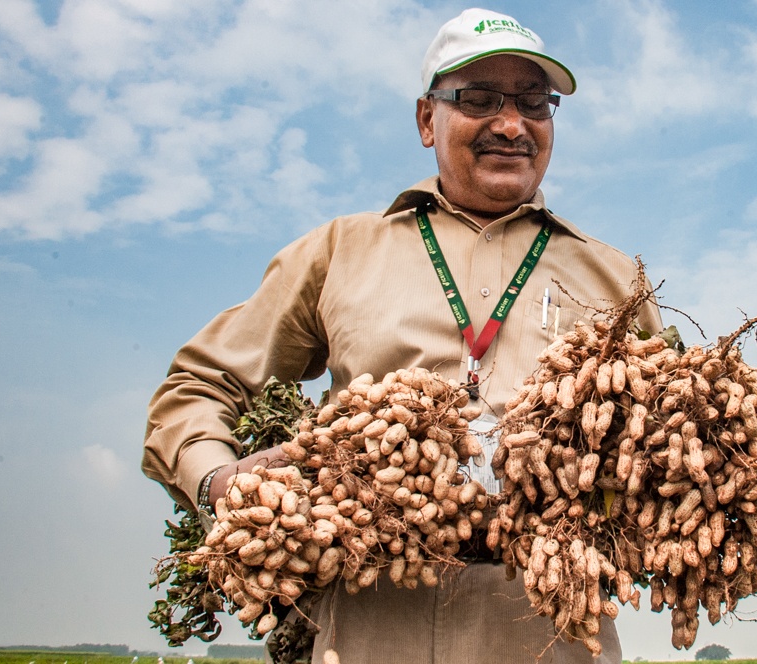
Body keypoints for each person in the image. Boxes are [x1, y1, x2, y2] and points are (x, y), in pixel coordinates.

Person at [143, 7, 662, 664]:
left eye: (536, 103)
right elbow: (197, 384)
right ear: (427, 119)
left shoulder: (616, 278)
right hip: (369, 632)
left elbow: (665, 445)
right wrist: (219, 481)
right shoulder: (341, 251)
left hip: (551, 639)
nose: (512, 124)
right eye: (480, 99)